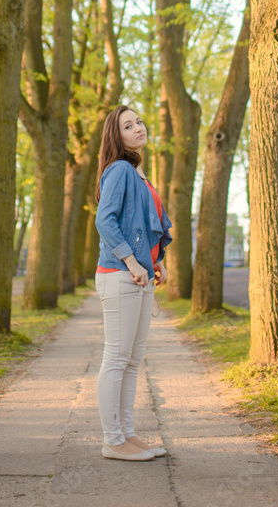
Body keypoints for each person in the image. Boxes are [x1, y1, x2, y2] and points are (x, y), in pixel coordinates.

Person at [94, 104, 173, 461]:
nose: (138, 127)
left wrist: (156, 261)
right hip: (119, 275)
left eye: (139, 121)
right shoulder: (120, 170)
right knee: (117, 357)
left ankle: (126, 434)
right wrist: (130, 260)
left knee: (131, 359)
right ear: (117, 136)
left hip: (139, 276)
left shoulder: (139, 174)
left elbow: (144, 224)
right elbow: (105, 221)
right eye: (128, 125)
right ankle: (112, 440)